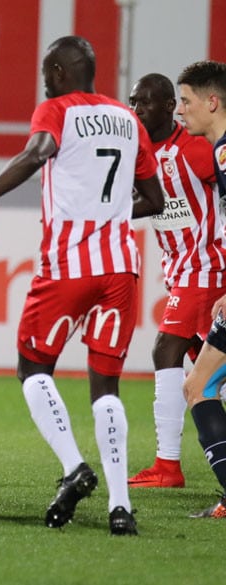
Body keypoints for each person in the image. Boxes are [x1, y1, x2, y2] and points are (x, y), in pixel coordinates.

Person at [0, 36, 165, 535]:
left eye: (48, 72)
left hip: (68, 266)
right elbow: (153, 197)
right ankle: (119, 506)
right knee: (105, 385)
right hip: (120, 269)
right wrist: (107, 216)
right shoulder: (127, 119)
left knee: (33, 366)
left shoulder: (56, 109)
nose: (45, 81)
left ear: (64, 73)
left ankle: (73, 466)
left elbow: (37, 154)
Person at [126, 73, 226, 489]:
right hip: (181, 271)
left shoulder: (200, 152)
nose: (137, 111)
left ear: (169, 106)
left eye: (145, 103)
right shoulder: (141, 153)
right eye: (133, 102)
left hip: (206, 269)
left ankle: (167, 465)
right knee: (203, 372)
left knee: (166, 350)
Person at [171, 59, 226, 518]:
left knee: (198, 385)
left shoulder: (225, 151)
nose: (179, 110)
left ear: (212, 102)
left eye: (185, 101)